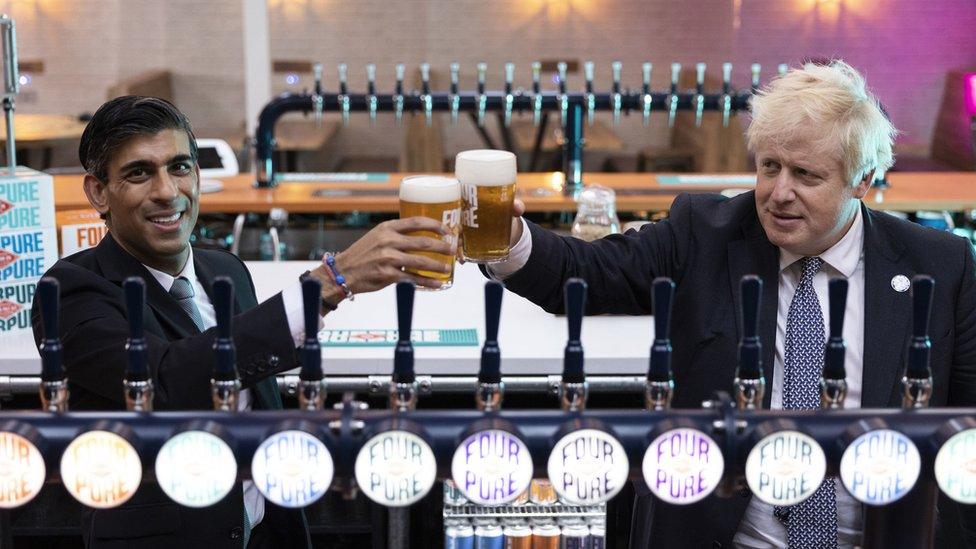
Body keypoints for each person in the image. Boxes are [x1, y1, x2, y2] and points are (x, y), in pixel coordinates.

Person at [487, 61, 976, 548]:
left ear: (862, 179)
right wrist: (507, 240)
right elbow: (588, 273)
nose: (778, 193)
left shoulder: (940, 266)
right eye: (769, 166)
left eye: (805, 175)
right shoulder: (704, 233)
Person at [32, 95, 455, 548]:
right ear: (98, 192)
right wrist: (329, 283)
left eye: (179, 167)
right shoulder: (71, 290)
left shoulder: (226, 270)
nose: (167, 191)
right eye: (139, 173)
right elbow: (166, 381)